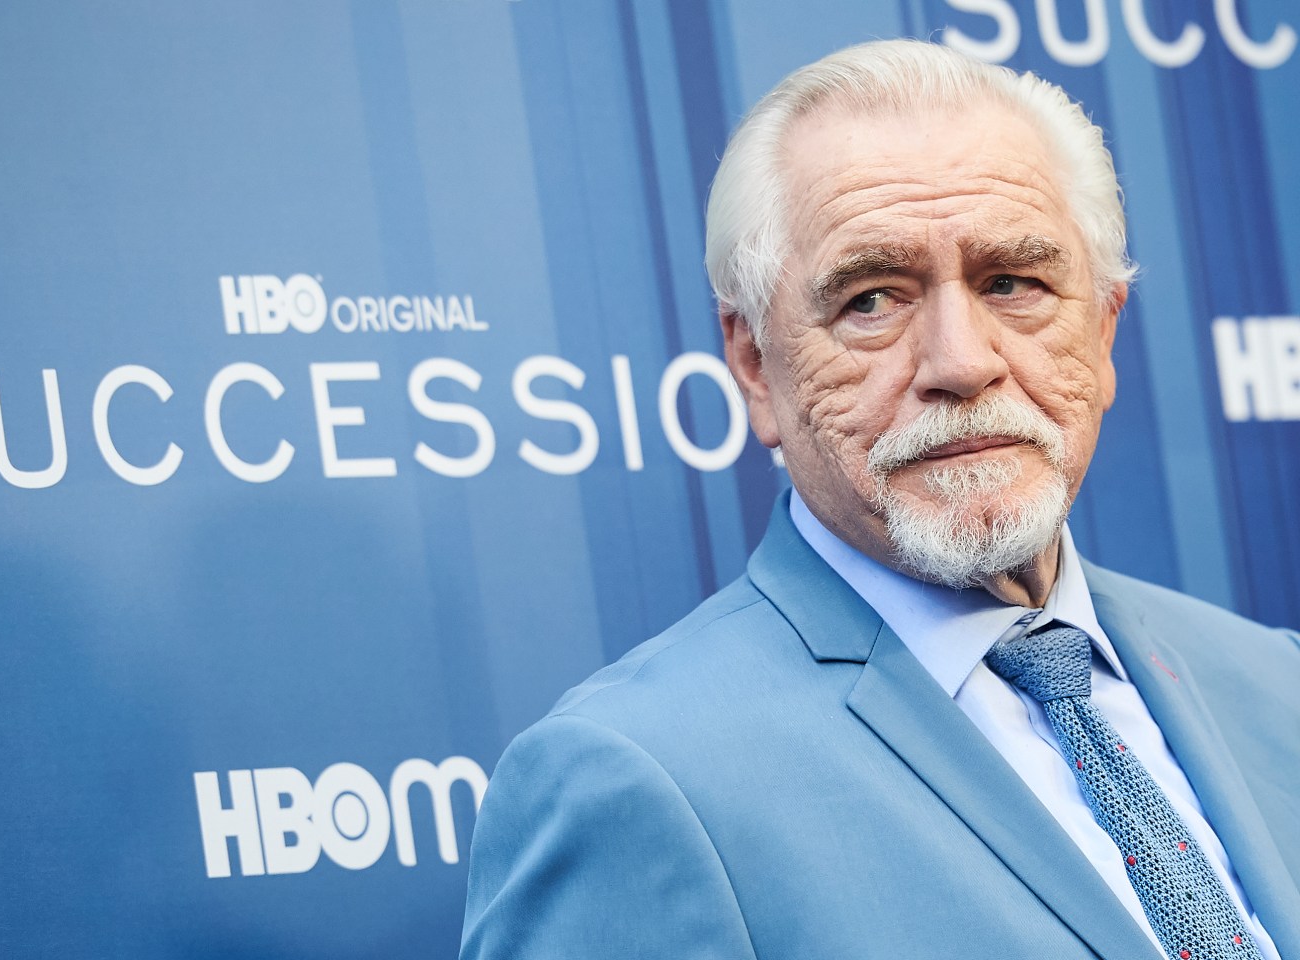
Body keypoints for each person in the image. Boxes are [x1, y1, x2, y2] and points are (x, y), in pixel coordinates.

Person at [459, 39, 1300, 959]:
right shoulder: (634, 783)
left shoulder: (1275, 681)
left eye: (1011, 283)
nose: (961, 363)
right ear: (755, 365)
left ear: (1102, 334)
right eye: (871, 300)